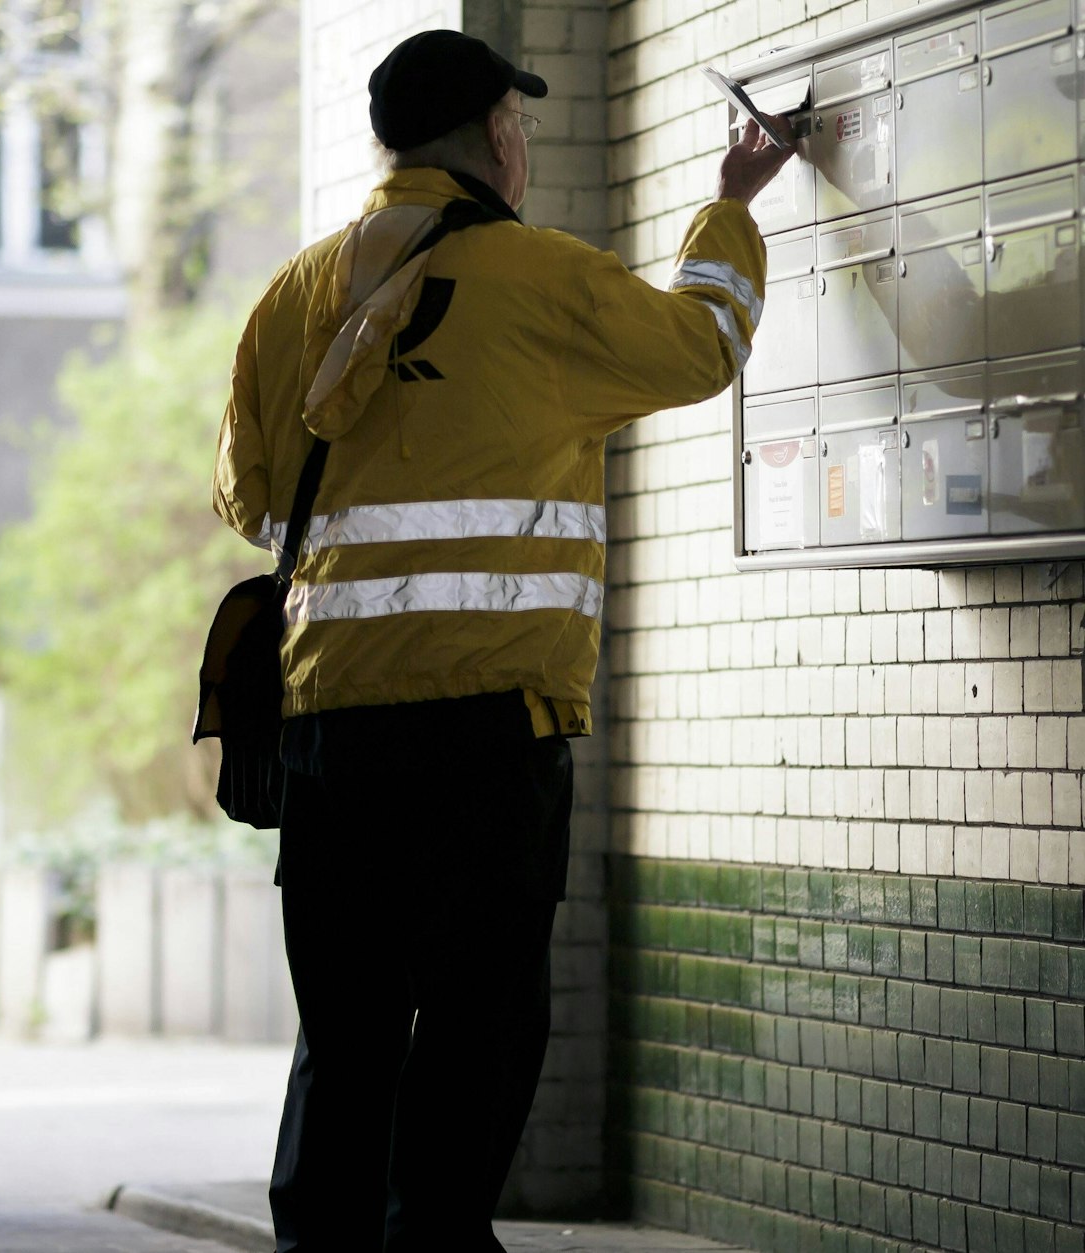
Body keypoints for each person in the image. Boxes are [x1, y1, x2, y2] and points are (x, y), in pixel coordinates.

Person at [210, 30, 795, 1253]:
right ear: (495, 132)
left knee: (346, 1029)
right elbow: (702, 343)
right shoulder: (540, 279)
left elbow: (249, 498)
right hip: (486, 732)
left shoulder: (294, 293)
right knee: (479, 1017)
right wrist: (729, 209)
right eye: (516, 123)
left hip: (327, 733)